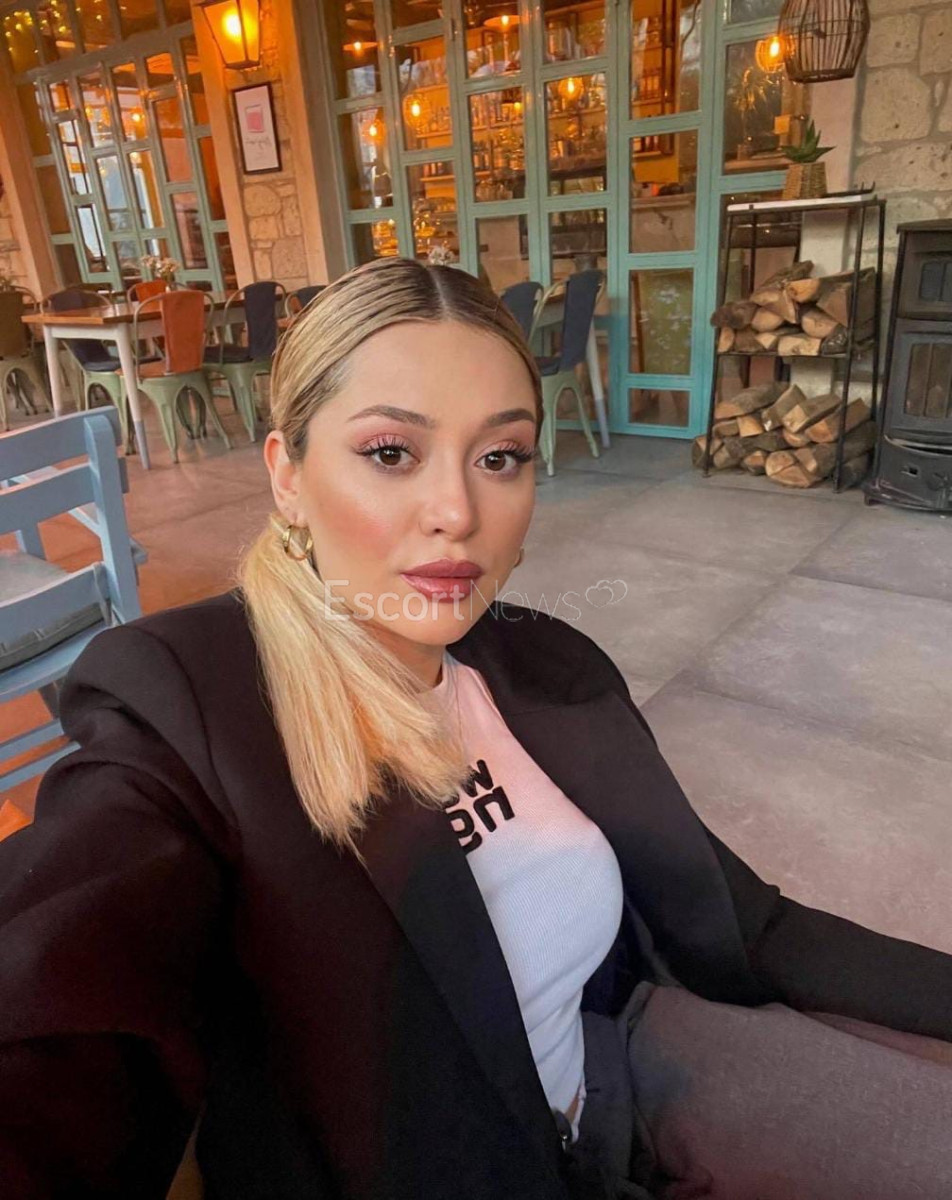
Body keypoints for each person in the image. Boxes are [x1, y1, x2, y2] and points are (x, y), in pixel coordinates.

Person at [0, 257, 950, 1200]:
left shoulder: (541, 662)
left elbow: (751, 921)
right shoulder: (188, 708)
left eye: (500, 457)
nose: (458, 513)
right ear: (287, 474)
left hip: (620, 1075)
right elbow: (58, 982)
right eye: (390, 453)